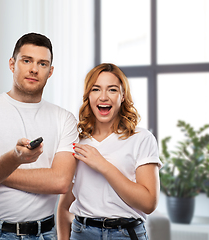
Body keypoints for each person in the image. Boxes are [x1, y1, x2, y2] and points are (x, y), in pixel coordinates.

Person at [0, 32, 79, 240]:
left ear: (50, 71)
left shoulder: (65, 119)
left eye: (43, 64)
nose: (34, 69)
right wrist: (15, 158)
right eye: (27, 60)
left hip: (44, 233)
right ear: (12, 64)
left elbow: (61, 182)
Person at [56, 63, 162, 240]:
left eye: (112, 90)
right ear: (88, 96)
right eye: (96, 89)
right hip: (82, 233)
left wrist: (103, 165)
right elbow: (64, 206)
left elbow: (149, 203)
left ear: (122, 96)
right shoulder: (77, 141)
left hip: (126, 234)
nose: (103, 97)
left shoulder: (141, 138)